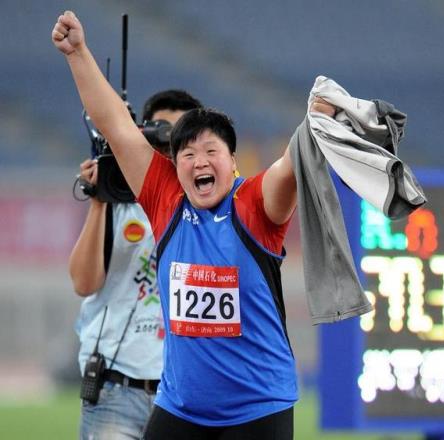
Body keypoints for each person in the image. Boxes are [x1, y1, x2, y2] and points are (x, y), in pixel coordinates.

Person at [53, 11, 338, 440]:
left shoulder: (252, 203)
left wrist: (315, 125)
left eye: (210, 151)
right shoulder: (165, 199)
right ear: (175, 165)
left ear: (233, 161)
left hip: (258, 408)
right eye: (187, 154)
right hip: (181, 408)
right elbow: (116, 126)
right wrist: (77, 53)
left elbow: (289, 167)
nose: (199, 161)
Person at [69, 89, 202, 440]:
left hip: (185, 396)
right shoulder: (119, 198)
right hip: (118, 389)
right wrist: (100, 199)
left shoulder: (209, 207)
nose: (168, 148)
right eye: (160, 135)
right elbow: (83, 282)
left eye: (180, 138)